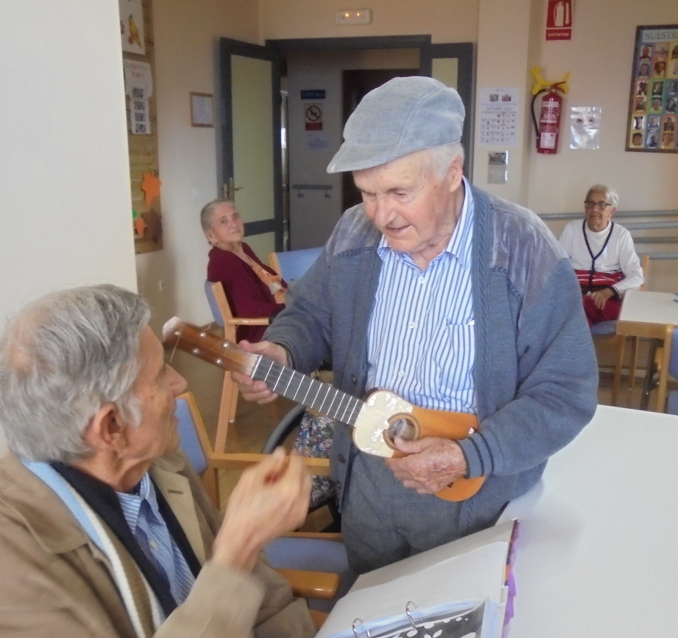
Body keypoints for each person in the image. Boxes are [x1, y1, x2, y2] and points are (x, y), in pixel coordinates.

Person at [0, 285, 315, 638]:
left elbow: (259, 597)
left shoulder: (154, 465)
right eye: (160, 374)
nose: (181, 384)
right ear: (110, 427)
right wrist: (235, 554)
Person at [234, 77, 598, 573]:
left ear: (452, 172)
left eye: (399, 192)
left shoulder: (522, 248)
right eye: (367, 192)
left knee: (462, 617)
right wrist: (283, 349)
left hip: (477, 493)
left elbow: (565, 391)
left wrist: (470, 454)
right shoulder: (354, 232)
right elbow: (310, 314)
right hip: (368, 483)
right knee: (369, 608)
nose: (382, 214)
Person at [558, 185, 644, 327]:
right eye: (590, 203)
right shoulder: (572, 229)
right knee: (572, 312)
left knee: (575, 309)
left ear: (612, 211)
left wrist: (609, 292)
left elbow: (637, 277)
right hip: (574, 297)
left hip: (606, 301)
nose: (594, 209)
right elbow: (558, 267)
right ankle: (580, 340)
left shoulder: (621, 235)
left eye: (602, 204)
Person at [203, 199, 287, 343]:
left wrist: (293, 297)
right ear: (211, 235)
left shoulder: (243, 249)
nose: (233, 224)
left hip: (276, 320)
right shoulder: (224, 261)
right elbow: (248, 308)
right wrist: (286, 308)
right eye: (223, 221)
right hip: (260, 333)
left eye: (235, 217)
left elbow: (270, 280)